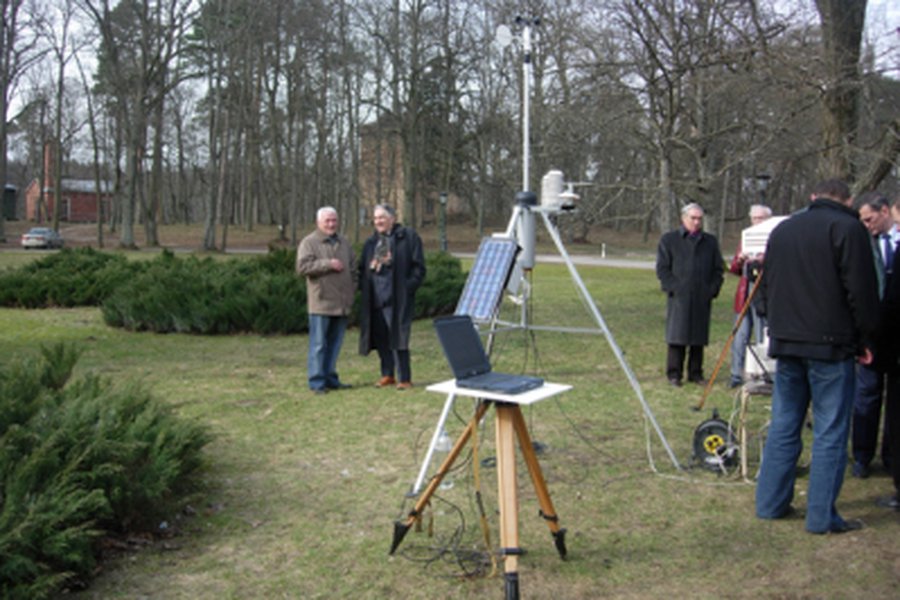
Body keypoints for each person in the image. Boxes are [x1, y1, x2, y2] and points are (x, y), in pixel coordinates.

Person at [755, 179, 879, 534]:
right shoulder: (848, 228)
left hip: (788, 341)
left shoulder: (783, 230)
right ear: (847, 199)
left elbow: (764, 285)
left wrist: (776, 324)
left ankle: (770, 503)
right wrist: (866, 338)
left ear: (813, 197)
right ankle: (821, 516)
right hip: (830, 345)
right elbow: (861, 290)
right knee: (830, 430)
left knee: (784, 423)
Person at [850, 192, 898, 478]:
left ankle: (891, 455)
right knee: (866, 394)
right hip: (872, 331)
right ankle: (862, 455)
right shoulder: (864, 246)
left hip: (895, 331)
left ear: (884, 212)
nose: (867, 225)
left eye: (870, 219)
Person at [655, 203, 724, 386]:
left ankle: (695, 373)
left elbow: (718, 269)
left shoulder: (710, 242)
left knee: (698, 337)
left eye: (699, 219)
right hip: (679, 296)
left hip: (702, 296)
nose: (696, 222)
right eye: (693, 218)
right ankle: (674, 374)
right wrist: (675, 288)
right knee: (677, 337)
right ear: (683, 218)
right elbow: (662, 269)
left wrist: (712, 289)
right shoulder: (669, 240)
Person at [358, 204, 426, 390]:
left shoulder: (408, 237)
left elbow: (419, 268)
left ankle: (404, 378)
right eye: (376, 218)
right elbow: (362, 268)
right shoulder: (371, 242)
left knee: (399, 337)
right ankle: (387, 374)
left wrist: (407, 287)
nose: (378, 221)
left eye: (382, 217)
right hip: (376, 297)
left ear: (392, 218)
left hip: (397, 297)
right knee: (381, 338)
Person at [296, 206, 357, 395]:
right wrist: (327, 264)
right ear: (318, 222)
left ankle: (331, 378)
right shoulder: (309, 243)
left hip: (341, 304)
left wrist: (351, 291)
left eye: (334, 220)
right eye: (327, 221)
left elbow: (354, 270)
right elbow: (302, 267)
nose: (331, 224)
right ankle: (317, 382)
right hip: (321, 304)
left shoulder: (344, 243)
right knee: (319, 345)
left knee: (335, 344)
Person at [727, 205, 773, 388]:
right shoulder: (746, 238)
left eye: (761, 218)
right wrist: (740, 259)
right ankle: (736, 374)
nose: (757, 222)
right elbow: (734, 269)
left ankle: (763, 374)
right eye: (754, 218)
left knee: (763, 335)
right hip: (744, 294)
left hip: (763, 294)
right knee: (740, 336)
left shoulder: (774, 238)